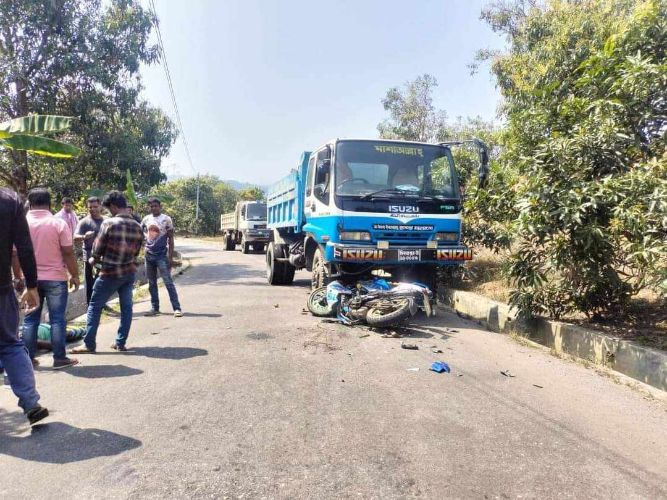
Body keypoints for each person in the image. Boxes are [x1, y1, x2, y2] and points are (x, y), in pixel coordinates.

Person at [71, 191, 143, 354]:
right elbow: (137, 252)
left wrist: (94, 259)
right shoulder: (138, 226)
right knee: (127, 307)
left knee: (94, 306)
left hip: (109, 273)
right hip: (128, 272)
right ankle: (120, 342)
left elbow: (97, 250)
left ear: (114, 206)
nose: (108, 212)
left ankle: (89, 344)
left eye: (109, 208)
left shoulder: (109, 223)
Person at [0, 187, 49, 424]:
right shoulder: (9, 199)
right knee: (10, 344)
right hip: (1, 289)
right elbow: (24, 247)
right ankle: (30, 403)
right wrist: (31, 285)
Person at [22, 188, 80, 369]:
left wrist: (18, 277)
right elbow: (68, 252)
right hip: (56, 278)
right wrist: (75, 275)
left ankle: (28, 359)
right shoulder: (58, 223)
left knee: (30, 319)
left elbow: (15, 254)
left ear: (29, 203)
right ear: (50, 203)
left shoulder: (21, 223)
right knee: (57, 319)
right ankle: (60, 358)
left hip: (29, 281)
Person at [141, 198, 183, 317]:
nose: (153, 208)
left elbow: (171, 239)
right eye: (151, 206)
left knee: (168, 282)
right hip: (148, 255)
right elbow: (140, 234)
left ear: (160, 206)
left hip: (161, 256)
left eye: (155, 206)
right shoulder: (146, 219)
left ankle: (177, 308)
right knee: (151, 283)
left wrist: (170, 257)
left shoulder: (166, 219)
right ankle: (155, 308)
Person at [74, 197, 105, 304]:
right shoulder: (84, 222)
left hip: (104, 258)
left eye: (95, 206)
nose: (93, 209)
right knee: (90, 282)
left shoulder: (106, 220)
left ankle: (102, 304)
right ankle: (90, 305)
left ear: (100, 206)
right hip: (89, 257)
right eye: (90, 207)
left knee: (102, 282)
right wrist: (84, 236)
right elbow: (75, 237)